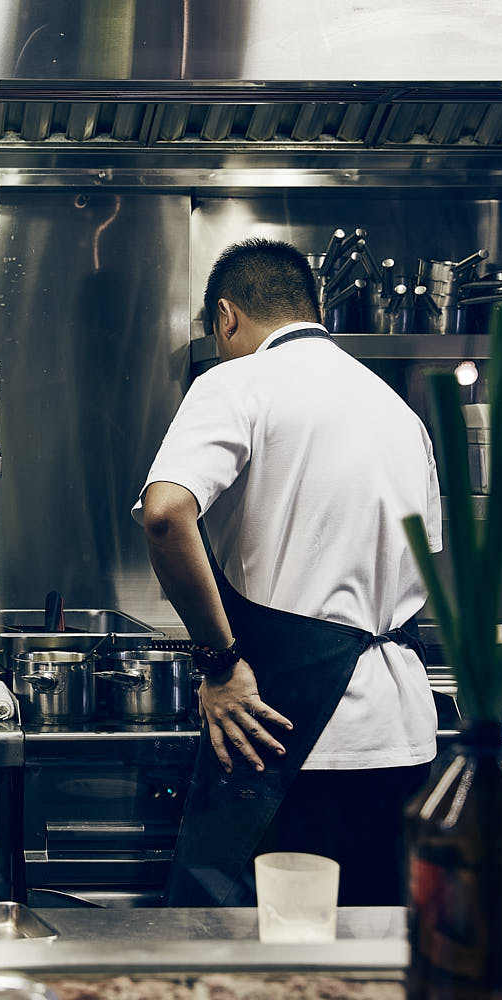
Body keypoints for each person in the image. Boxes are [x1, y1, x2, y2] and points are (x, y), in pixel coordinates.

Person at [135, 238, 442, 907]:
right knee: (374, 947)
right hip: (402, 738)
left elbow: (164, 513)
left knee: (252, 949)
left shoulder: (237, 382)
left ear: (226, 316)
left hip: (287, 736)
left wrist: (220, 661)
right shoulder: (397, 411)